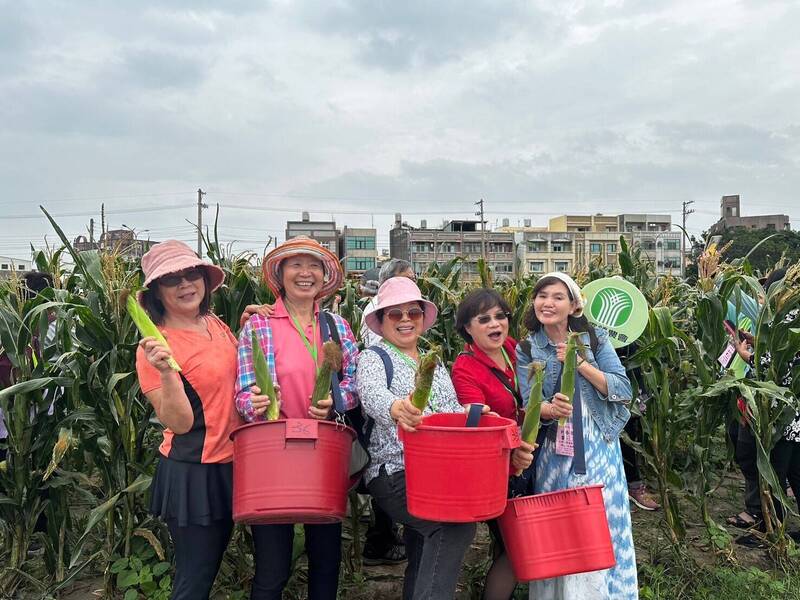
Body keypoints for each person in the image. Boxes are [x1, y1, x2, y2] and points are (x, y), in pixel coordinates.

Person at [235, 236, 359, 600]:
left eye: (314, 266)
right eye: (295, 265)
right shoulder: (258, 326)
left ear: (324, 276)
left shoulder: (337, 327)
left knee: (326, 562)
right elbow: (242, 394)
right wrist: (253, 402)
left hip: (324, 456)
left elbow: (354, 385)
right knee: (272, 570)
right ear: (281, 274)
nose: (305, 273)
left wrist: (336, 401)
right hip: (273, 457)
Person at [136, 240, 255, 600]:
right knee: (195, 578)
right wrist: (167, 371)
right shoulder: (156, 347)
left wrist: (249, 328)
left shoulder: (214, 323)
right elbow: (181, 423)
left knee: (209, 567)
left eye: (191, 274)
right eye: (171, 280)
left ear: (204, 279)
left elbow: (233, 378)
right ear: (157, 291)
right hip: (195, 471)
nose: (185, 284)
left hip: (232, 462)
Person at [357, 276, 481, 600]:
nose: (405, 320)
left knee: (422, 541)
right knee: (453, 527)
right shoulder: (373, 357)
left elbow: (450, 409)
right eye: (395, 314)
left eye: (413, 312)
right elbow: (371, 394)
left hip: (438, 473)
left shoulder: (432, 362)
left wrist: (476, 414)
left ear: (422, 319)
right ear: (381, 321)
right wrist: (398, 408)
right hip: (397, 472)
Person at [517, 272, 638, 600]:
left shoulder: (594, 338)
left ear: (573, 305)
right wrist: (548, 410)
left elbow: (623, 389)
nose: (548, 303)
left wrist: (579, 363)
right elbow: (529, 402)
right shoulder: (527, 347)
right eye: (542, 296)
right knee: (560, 529)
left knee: (598, 526)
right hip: (555, 454)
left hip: (599, 445)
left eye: (557, 297)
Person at [451, 288, 535, 600]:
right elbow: (481, 428)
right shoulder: (466, 368)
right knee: (518, 548)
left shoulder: (513, 349)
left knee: (509, 545)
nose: (495, 324)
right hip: (500, 467)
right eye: (483, 319)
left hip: (526, 460)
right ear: (467, 328)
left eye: (500, 316)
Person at [361, 258, 416, 348]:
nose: (412, 284)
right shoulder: (377, 307)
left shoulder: (404, 304)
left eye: (413, 279)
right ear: (387, 282)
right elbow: (377, 346)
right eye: (405, 280)